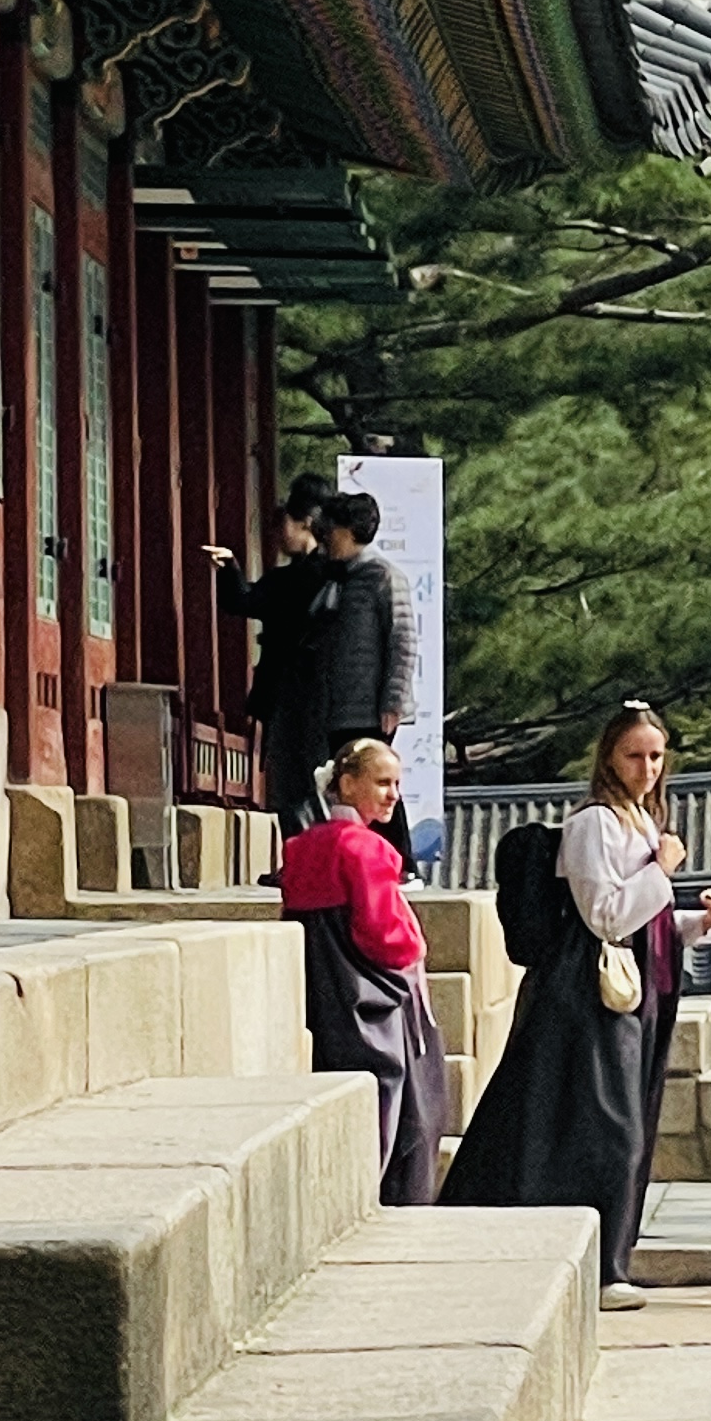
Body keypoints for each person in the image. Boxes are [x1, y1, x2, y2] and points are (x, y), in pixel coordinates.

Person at [442, 699, 711, 1305]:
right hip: (593, 993)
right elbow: (605, 916)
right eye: (634, 756)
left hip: (641, 988)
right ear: (609, 758)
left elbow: (646, 922)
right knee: (610, 1130)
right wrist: (662, 869)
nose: (647, 768)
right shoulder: (594, 824)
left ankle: (607, 1258)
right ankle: (601, 1269)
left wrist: (696, 923)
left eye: (656, 756)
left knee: (619, 1123)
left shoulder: (641, 820)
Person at [279, 735, 443, 1201]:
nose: (393, 795)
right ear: (348, 785)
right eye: (383, 783)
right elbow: (384, 935)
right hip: (367, 988)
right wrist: (416, 947)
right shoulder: (367, 849)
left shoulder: (300, 847)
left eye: (397, 784)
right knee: (404, 1091)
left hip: (323, 985)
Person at [206, 467, 333, 837]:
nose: (280, 534)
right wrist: (230, 568)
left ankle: (302, 851)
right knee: (308, 780)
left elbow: (244, 600)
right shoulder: (321, 576)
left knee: (293, 782)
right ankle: (311, 851)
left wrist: (230, 569)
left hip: (295, 690)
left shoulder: (307, 578)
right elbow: (245, 600)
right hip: (313, 692)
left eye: (285, 524)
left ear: (304, 522)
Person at [308, 492, 415, 859]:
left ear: (348, 530)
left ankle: (401, 860)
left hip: (369, 706)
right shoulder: (337, 578)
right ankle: (358, 856)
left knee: (378, 786)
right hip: (337, 704)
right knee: (347, 789)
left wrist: (393, 701)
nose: (326, 537)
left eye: (332, 529)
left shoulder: (381, 575)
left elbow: (403, 640)